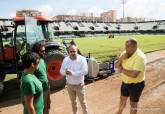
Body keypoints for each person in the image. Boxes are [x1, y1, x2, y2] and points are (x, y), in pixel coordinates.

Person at [115, 38, 147, 114]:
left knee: (133, 104)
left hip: (136, 85)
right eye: (125, 46)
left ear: (134, 46)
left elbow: (134, 75)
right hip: (125, 82)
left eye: (128, 46)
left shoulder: (140, 57)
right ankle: (119, 112)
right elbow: (116, 66)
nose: (125, 48)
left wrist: (122, 70)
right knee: (122, 99)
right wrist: (121, 58)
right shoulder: (125, 53)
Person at [60, 45, 89, 114]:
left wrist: (72, 73)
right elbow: (61, 70)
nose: (73, 53)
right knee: (73, 102)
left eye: (74, 51)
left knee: (83, 102)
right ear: (68, 52)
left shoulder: (82, 59)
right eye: (71, 51)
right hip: (70, 85)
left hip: (79, 85)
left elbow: (85, 71)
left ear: (77, 51)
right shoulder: (65, 59)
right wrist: (65, 72)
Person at [32, 42, 51, 114]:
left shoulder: (42, 61)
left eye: (44, 50)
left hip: (47, 88)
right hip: (40, 90)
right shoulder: (33, 64)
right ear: (36, 52)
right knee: (41, 108)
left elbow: (44, 73)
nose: (44, 52)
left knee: (48, 106)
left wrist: (48, 84)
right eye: (42, 51)